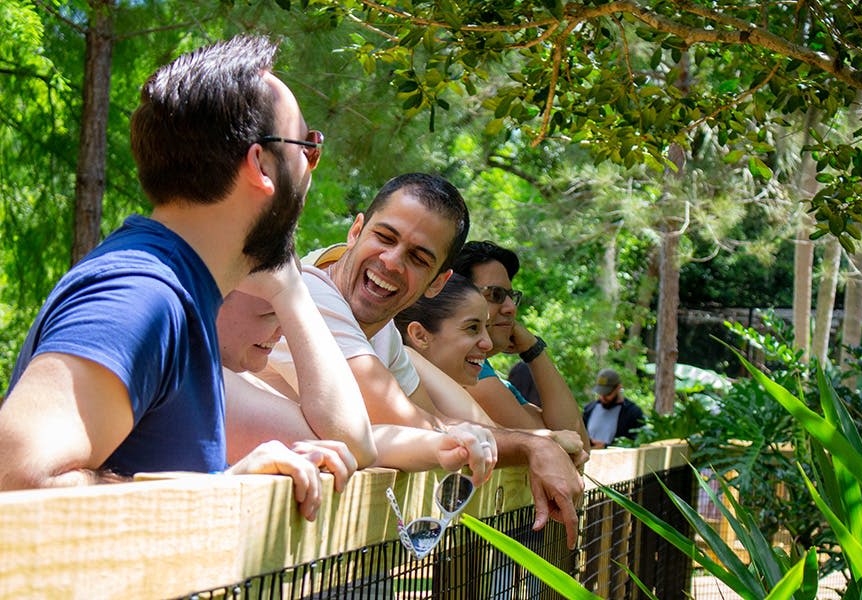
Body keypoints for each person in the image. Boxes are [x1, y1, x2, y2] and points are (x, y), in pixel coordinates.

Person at [0, 36, 351, 521]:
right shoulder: (142, 293)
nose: (313, 167)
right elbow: (16, 479)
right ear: (260, 166)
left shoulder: (179, 291)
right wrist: (219, 492)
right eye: (308, 147)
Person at [264, 173, 585, 548]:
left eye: (418, 258)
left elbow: (438, 421)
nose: (391, 261)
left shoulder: (381, 331)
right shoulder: (311, 292)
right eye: (385, 237)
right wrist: (535, 445)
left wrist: (537, 442)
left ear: (437, 282)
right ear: (356, 231)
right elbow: (414, 424)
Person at [218, 263, 496, 482]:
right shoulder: (211, 380)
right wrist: (291, 294)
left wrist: (439, 444)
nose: (282, 333)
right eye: (269, 314)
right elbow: (353, 440)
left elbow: (350, 441)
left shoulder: (235, 381)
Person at [395, 274, 584, 456]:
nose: (488, 344)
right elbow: (484, 439)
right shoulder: (399, 367)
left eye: (487, 327)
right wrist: (545, 441)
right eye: (472, 328)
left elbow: (573, 441)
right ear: (420, 335)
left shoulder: (450, 383)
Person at [452, 241, 590, 450]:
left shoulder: (491, 377)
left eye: (511, 296)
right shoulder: (468, 371)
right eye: (495, 295)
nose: (510, 308)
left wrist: (533, 349)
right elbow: (562, 450)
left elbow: (576, 441)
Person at [582, 368, 645, 448]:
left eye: (608, 394)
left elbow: (636, 443)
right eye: (600, 393)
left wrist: (606, 446)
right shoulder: (589, 409)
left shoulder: (633, 413)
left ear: (618, 388)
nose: (603, 397)